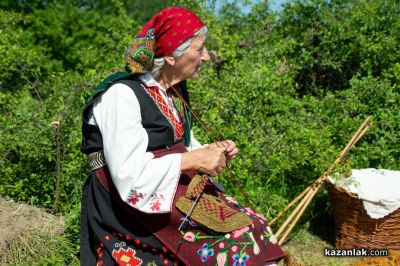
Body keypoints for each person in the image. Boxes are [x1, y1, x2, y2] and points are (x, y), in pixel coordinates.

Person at [80, 6, 284, 265]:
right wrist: (193, 160)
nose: (207, 56)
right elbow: (128, 174)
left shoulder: (169, 93)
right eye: (199, 49)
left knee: (255, 225)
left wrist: (212, 151)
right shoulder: (121, 95)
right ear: (171, 57)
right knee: (235, 242)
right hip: (129, 204)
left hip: (170, 188)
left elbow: (180, 145)